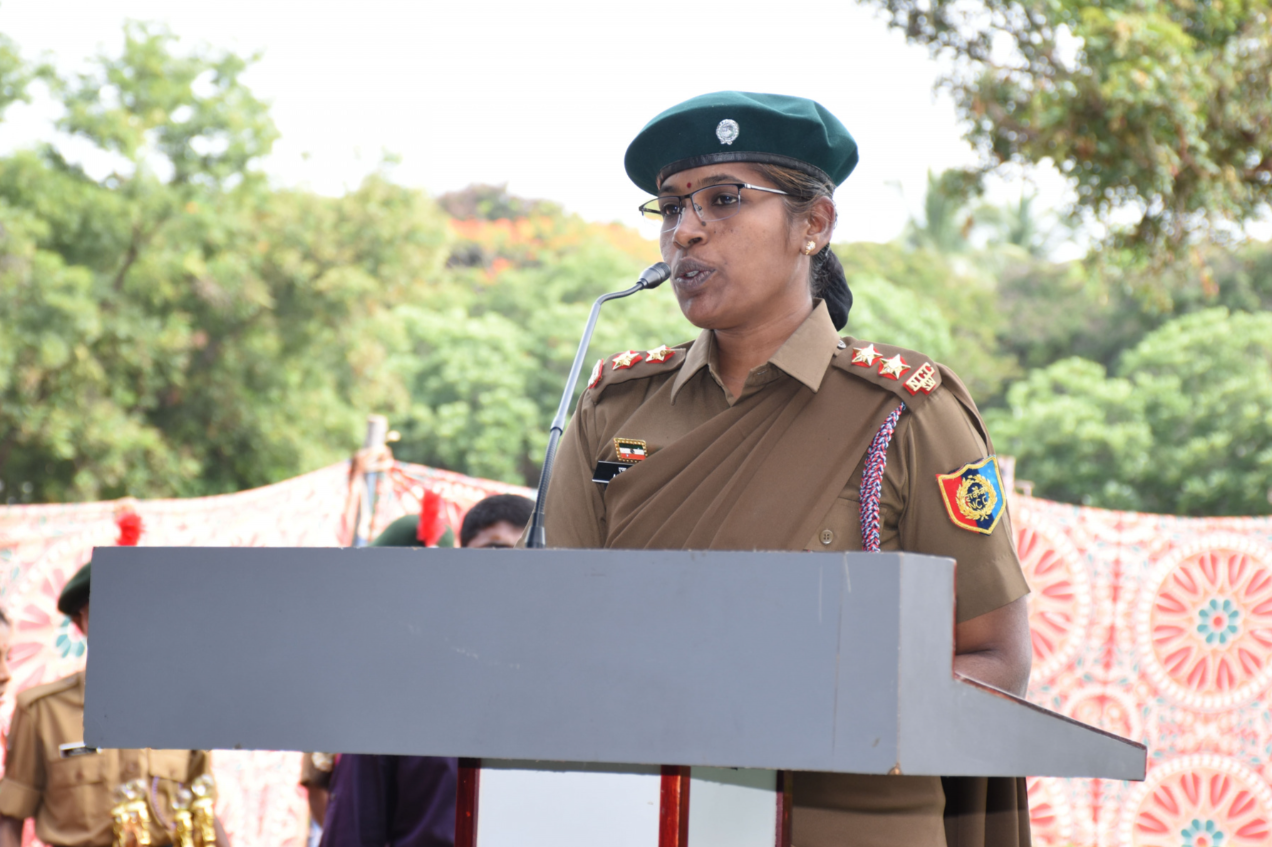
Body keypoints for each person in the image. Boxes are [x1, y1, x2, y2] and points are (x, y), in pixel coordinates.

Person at [541, 91, 1033, 847]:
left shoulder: (905, 413)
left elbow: (996, 659)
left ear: (814, 225)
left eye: (723, 199)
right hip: (649, 816)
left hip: (847, 823)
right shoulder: (615, 411)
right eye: (670, 208)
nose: (686, 231)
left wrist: (820, 700)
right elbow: (552, 636)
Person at [315, 493, 534, 847]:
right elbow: (352, 825)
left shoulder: (568, 692)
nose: (509, 570)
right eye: (494, 552)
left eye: (531, 555)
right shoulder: (398, 688)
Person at [0, 562, 227, 847]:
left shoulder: (184, 711)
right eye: (106, 613)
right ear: (80, 622)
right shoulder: (43, 712)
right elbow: (10, 817)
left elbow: (202, 806)